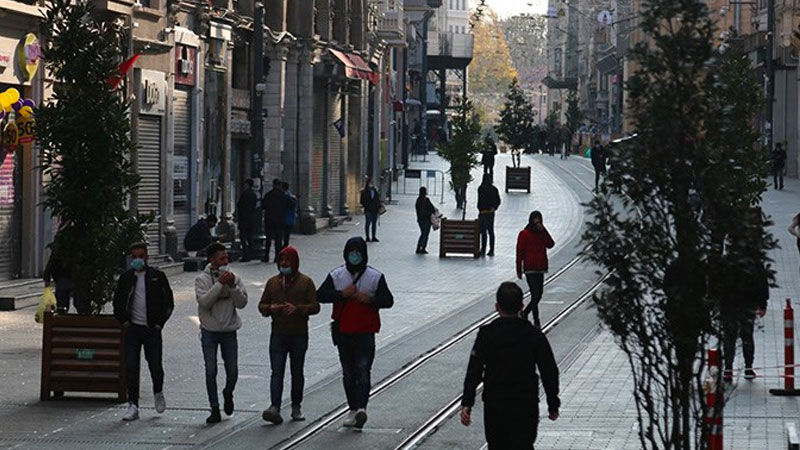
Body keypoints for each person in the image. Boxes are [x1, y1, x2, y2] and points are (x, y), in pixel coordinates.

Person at [460, 282, 560, 450]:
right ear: (522, 306)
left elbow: (474, 370)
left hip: (495, 403)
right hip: (525, 402)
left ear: (497, 307)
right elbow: (549, 370)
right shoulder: (534, 335)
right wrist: (553, 403)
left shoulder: (487, 334)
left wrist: (467, 402)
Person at [317, 237, 394, 429]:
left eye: (358, 252)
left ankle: (361, 408)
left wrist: (369, 299)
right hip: (344, 332)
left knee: (363, 369)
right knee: (348, 372)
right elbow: (320, 295)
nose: (354, 256)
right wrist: (341, 295)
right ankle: (353, 408)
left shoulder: (374, 277)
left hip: (365, 332)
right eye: (351, 252)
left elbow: (388, 300)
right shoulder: (337, 275)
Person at [113, 242, 175, 421]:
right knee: (131, 366)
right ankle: (133, 404)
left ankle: (158, 391)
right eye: (134, 256)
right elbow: (118, 301)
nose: (138, 260)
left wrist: (159, 324)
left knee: (155, 365)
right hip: (132, 329)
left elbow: (168, 302)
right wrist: (123, 321)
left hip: (151, 330)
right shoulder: (126, 278)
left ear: (147, 257)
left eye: (141, 256)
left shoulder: (157, 276)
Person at [259, 246, 320, 424]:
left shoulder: (306, 282)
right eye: (281, 261)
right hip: (278, 332)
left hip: (298, 333)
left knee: (297, 371)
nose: (284, 264)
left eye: (287, 261)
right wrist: (271, 308)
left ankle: (296, 406)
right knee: (276, 371)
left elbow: (315, 306)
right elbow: (262, 305)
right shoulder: (272, 283)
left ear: (295, 262)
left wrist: (298, 309)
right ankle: (275, 407)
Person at [195, 242, 248, 424]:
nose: (226, 261)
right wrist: (219, 284)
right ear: (212, 260)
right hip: (209, 330)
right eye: (222, 258)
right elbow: (205, 302)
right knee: (211, 370)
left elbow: (242, 303)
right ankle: (214, 408)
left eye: (227, 258)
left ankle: (228, 392)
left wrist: (233, 286)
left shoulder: (234, 277)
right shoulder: (202, 279)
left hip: (229, 331)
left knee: (232, 370)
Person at [516, 211, 555, 329]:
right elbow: (519, 252)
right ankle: (535, 320)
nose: (537, 222)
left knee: (538, 295)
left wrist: (543, 230)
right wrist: (519, 268)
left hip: (540, 267)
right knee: (535, 294)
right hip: (530, 268)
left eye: (539, 220)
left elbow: (550, 244)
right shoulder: (524, 234)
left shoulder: (541, 233)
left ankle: (526, 313)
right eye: (535, 220)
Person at [262, 178, 287, 262]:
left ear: (273, 185)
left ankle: (266, 256)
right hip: (280, 220)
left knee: (268, 239)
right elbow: (289, 205)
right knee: (278, 239)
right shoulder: (283, 195)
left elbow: (263, 205)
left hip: (269, 219)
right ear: (279, 185)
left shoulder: (268, 194)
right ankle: (277, 257)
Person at [477, 174, 501, 257]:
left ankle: (483, 249)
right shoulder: (494, 189)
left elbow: (479, 200)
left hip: (482, 212)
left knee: (483, 232)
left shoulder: (480, 188)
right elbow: (498, 200)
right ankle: (491, 250)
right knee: (490, 231)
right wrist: (494, 208)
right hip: (490, 213)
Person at [43, 246, 72, 314]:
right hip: (65, 276)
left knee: (62, 297)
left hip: (61, 276)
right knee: (64, 297)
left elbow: (51, 263)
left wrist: (47, 277)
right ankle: (62, 312)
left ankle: (61, 313)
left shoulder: (59, 249)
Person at [236, 179, 258, 262]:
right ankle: (250, 253)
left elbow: (239, 205)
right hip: (251, 218)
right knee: (250, 237)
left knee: (243, 237)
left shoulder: (245, 194)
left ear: (248, 185)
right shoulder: (254, 195)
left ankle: (245, 254)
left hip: (244, 218)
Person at [415, 187, 436, 255]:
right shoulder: (426, 200)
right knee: (425, 234)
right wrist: (430, 213)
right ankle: (422, 247)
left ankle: (420, 247)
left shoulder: (418, 201)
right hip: (426, 219)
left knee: (423, 233)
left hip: (421, 220)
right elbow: (432, 209)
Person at [360, 177, 381, 242]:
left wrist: (378, 206)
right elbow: (362, 200)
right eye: (370, 183)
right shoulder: (364, 191)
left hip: (375, 209)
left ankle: (373, 236)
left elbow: (377, 199)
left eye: (372, 183)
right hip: (368, 209)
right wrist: (365, 205)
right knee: (368, 223)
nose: (371, 184)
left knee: (374, 223)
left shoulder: (375, 191)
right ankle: (367, 237)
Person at [282, 182, 297, 249]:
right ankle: (285, 245)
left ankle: (284, 246)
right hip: (290, 219)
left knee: (284, 234)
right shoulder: (291, 196)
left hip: (285, 218)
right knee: (286, 235)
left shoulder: (285, 196)